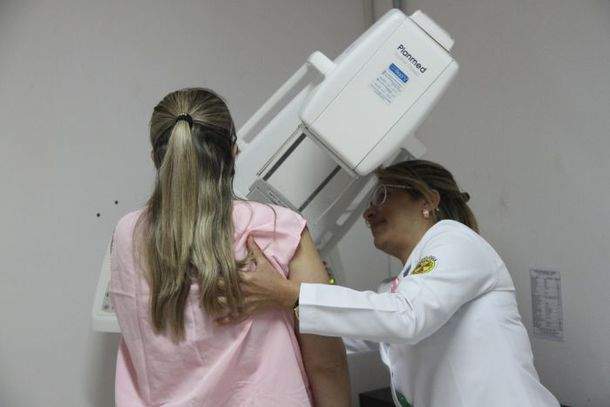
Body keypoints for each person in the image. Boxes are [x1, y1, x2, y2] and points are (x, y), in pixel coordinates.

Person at [220, 160, 561, 407]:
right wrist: (295, 290)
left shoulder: (455, 240)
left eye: (382, 196)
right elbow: (346, 335)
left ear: (428, 201)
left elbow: (406, 317)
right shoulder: (398, 288)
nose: (368, 214)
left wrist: (293, 294)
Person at [109, 88, 350, 406]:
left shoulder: (127, 234)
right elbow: (326, 364)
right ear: (234, 151)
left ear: (155, 157)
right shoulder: (277, 228)